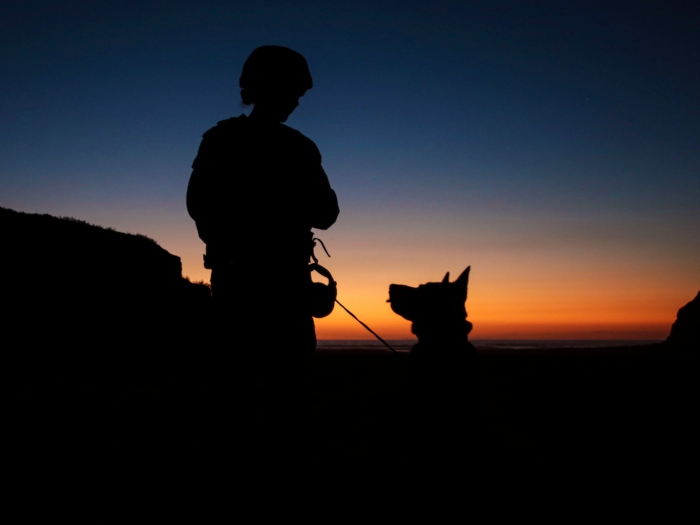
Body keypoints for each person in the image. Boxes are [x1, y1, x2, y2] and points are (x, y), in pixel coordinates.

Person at [186, 46, 339, 476]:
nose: (296, 101)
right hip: (261, 291)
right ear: (269, 89)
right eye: (293, 91)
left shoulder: (232, 141)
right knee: (261, 405)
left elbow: (198, 205)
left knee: (253, 404)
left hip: (256, 290)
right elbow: (326, 213)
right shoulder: (280, 146)